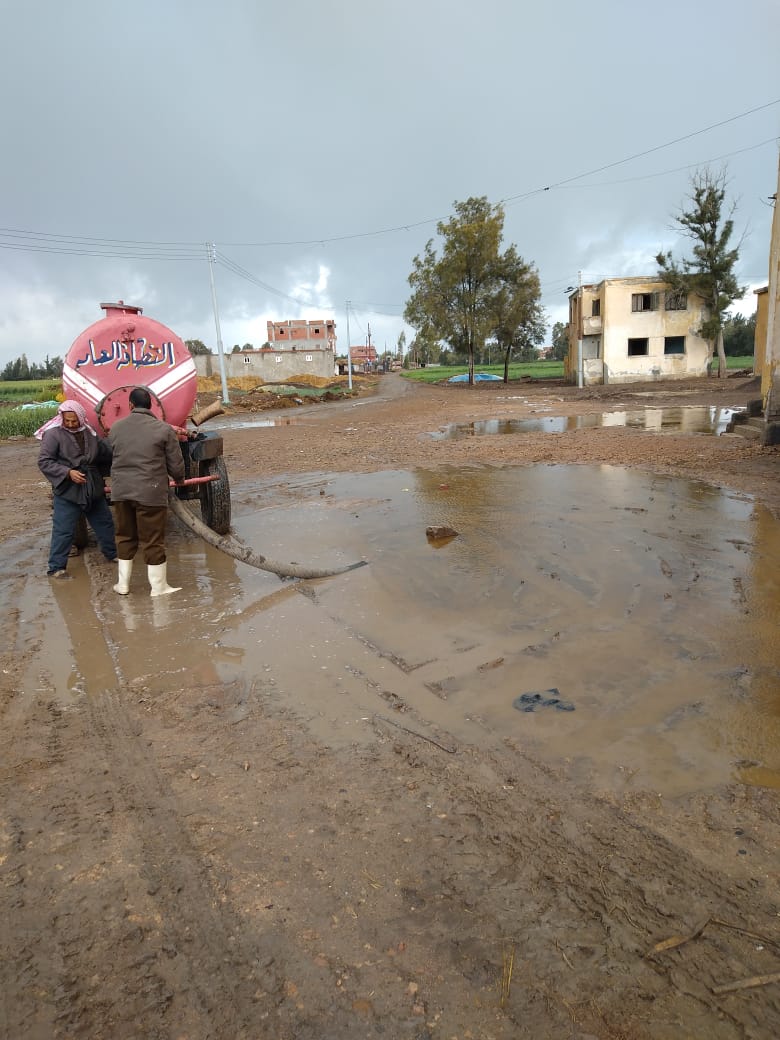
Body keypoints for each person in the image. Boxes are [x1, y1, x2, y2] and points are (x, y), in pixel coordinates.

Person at [108, 386, 185, 596]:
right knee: (153, 539)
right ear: (151, 406)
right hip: (150, 493)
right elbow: (176, 464)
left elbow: (110, 456)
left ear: (130, 405)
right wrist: (179, 479)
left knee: (124, 536)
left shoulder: (115, 428)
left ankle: (122, 585)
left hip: (121, 492)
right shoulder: (163, 429)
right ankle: (158, 587)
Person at [36, 400, 117, 579]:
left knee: (105, 523)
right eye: (67, 421)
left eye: (74, 421)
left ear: (81, 418)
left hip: (92, 487)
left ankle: (113, 554)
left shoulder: (89, 433)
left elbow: (105, 454)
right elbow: (44, 461)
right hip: (68, 490)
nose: (71, 424)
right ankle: (56, 568)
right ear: (61, 418)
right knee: (63, 529)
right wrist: (67, 472)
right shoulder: (53, 435)